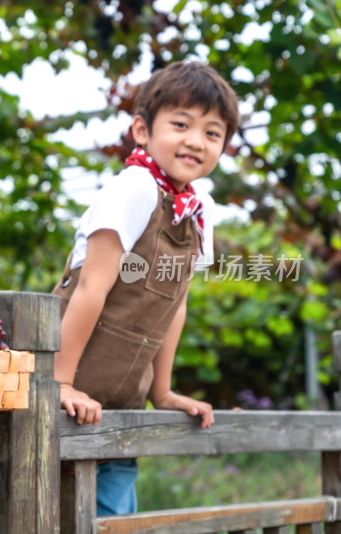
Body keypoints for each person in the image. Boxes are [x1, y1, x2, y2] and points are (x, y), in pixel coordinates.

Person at [52, 61, 239, 515]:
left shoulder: (199, 209)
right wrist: (59, 383)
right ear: (141, 129)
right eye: (181, 124)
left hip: (119, 403)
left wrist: (163, 391)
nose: (196, 141)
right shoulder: (133, 188)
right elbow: (92, 287)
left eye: (213, 133)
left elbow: (174, 304)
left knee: (116, 517)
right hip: (60, 404)